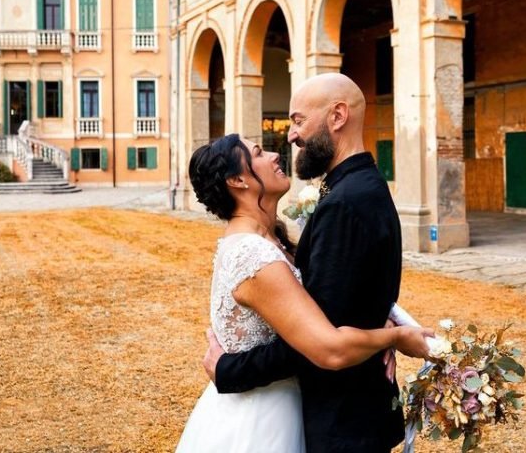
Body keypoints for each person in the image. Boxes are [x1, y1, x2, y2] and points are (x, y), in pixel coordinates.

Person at [175, 131, 432, 453]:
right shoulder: (253, 255)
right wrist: (396, 338)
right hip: (263, 417)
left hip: (292, 402)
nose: (273, 155)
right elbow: (330, 349)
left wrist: (378, 321)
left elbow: (323, 307)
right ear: (237, 180)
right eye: (258, 153)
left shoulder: (271, 242)